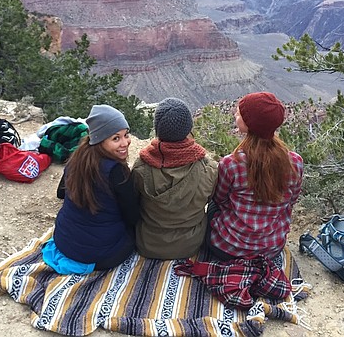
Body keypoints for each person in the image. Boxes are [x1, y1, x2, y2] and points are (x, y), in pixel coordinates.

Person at [43, 104, 140, 274]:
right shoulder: (116, 172)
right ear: (100, 140)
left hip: (63, 242)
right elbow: (132, 216)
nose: (125, 143)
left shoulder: (77, 157)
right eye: (116, 138)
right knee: (134, 234)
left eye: (126, 135)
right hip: (99, 256)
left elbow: (61, 193)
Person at [207, 92, 303, 261]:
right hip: (271, 249)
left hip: (229, 248)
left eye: (240, 113)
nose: (236, 113)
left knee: (212, 206)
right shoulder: (295, 162)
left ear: (250, 124)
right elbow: (291, 200)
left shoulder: (231, 163)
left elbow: (220, 199)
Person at [132, 98, 217, 259]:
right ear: (188, 128)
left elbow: (134, 204)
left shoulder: (141, 168)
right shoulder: (209, 168)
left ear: (157, 128)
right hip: (191, 245)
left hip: (149, 244)